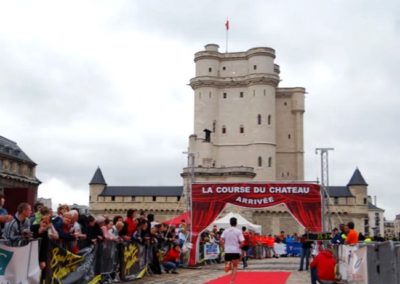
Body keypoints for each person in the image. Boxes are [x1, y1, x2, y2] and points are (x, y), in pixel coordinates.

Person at [221, 217, 244, 284]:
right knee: (235, 266)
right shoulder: (238, 231)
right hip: (235, 251)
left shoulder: (225, 231)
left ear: (230, 223)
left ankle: (228, 263)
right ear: (236, 223)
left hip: (227, 250)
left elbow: (221, 240)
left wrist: (223, 246)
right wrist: (239, 247)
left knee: (230, 263)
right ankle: (232, 281)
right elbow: (242, 242)